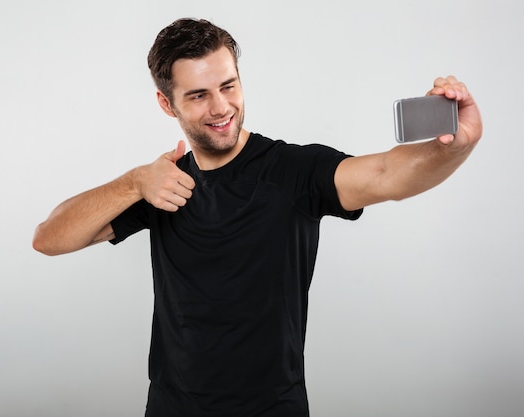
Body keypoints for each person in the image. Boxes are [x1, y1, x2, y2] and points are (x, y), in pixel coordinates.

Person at [33, 17, 482, 417]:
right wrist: (132, 182)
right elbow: (49, 238)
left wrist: (456, 145)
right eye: (198, 95)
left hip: (273, 407)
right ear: (167, 104)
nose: (220, 107)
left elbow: (388, 174)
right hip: (172, 406)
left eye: (228, 86)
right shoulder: (162, 184)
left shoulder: (293, 171)